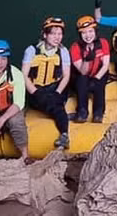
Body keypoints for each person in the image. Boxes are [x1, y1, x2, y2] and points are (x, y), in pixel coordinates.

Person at [20, 17, 72, 149]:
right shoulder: (32, 50)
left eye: (60, 34)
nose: (57, 37)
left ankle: (64, 134)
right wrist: (35, 92)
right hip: (36, 90)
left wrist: (58, 92)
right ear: (45, 35)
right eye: (53, 33)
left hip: (55, 88)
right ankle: (64, 130)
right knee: (53, 105)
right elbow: (24, 75)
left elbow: (66, 75)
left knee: (56, 104)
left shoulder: (63, 51)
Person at [70, 15, 112, 123]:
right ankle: (82, 112)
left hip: (99, 73)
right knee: (81, 81)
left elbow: (105, 65)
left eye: (90, 31)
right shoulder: (75, 47)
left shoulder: (103, 43)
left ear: (95, 31)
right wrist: (86, 60)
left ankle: (98, 113)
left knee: (99, 84)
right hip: (83, 75)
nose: (88, 35)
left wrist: (96, 78)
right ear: (80, 34)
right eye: (84, 33)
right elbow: (82, 72)